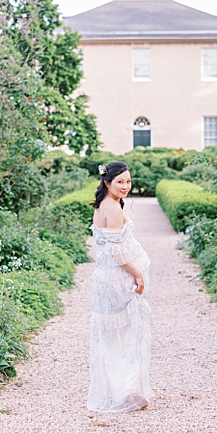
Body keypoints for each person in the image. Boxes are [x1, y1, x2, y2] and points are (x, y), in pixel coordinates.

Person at [87, 161, 153, 412]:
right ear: (107, 183)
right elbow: (116, 251)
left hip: (107, 278)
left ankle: (122, 391)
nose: (126, 186)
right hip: (117, 279)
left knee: (117, 338)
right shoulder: (112, 208)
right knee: (126, 337)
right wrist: (138, 274)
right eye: (120, 182)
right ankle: (124, 393)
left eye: (128, 181)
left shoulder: (104, 205)